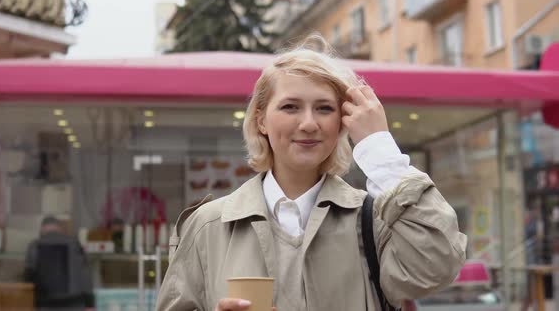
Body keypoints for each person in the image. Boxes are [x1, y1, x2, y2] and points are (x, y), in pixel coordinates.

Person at [156, 35, 467, 311]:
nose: (308, 123)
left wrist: (380, 150)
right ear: (262, 120)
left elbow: (438, 266)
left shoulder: (378, 222)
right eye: (290, 107)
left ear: (342, 122)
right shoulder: (207, 226)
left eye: (324, 108)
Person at [24, 215, 95, 311]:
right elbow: (85, 275)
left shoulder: (34, 245)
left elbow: (29, 277)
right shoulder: (74, 243)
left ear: (42, 229)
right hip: (74, 304)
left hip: (45, 305)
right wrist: (90, 303)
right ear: (60, 229)